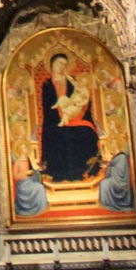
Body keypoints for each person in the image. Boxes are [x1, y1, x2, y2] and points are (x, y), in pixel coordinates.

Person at [39, 53, 102, 182]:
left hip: (75, 117)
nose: (62, 67)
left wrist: (76, 111)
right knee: (56, 137)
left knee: (85, 133)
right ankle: (59, 175)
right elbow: (47, 107)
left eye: (65, 64)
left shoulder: (72, 81)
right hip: (55, 121)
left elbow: (84, 99)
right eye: (59, 63)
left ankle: (81, 173)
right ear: (52, 65)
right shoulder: (47, 85)